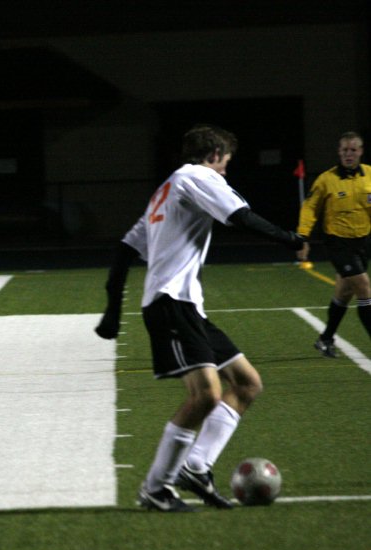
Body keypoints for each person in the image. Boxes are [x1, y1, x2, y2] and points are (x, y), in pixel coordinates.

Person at [96, 125, 304, 511]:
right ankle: (156, 488)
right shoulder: (197, 176)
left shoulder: (165, 191)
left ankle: (195, 466)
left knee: (246, 383)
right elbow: (240, 216)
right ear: (214, 154)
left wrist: (112, 308)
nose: (226, 171)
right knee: (206, 393)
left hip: (186, 305)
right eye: (226, 163)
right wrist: (291, 239)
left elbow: (125, 250)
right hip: (170, 303)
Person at [295, 131, 371, 357]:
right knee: (364, 287)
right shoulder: (326, 180)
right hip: (337, 242)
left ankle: (325, 339)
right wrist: (303, 238)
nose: (349, 154)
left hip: (362, 241)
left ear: (360, 151)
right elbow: (309, 209)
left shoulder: (369, 175)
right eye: (345, 150)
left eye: (353, 150)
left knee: (345, 291)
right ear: (339, 152)